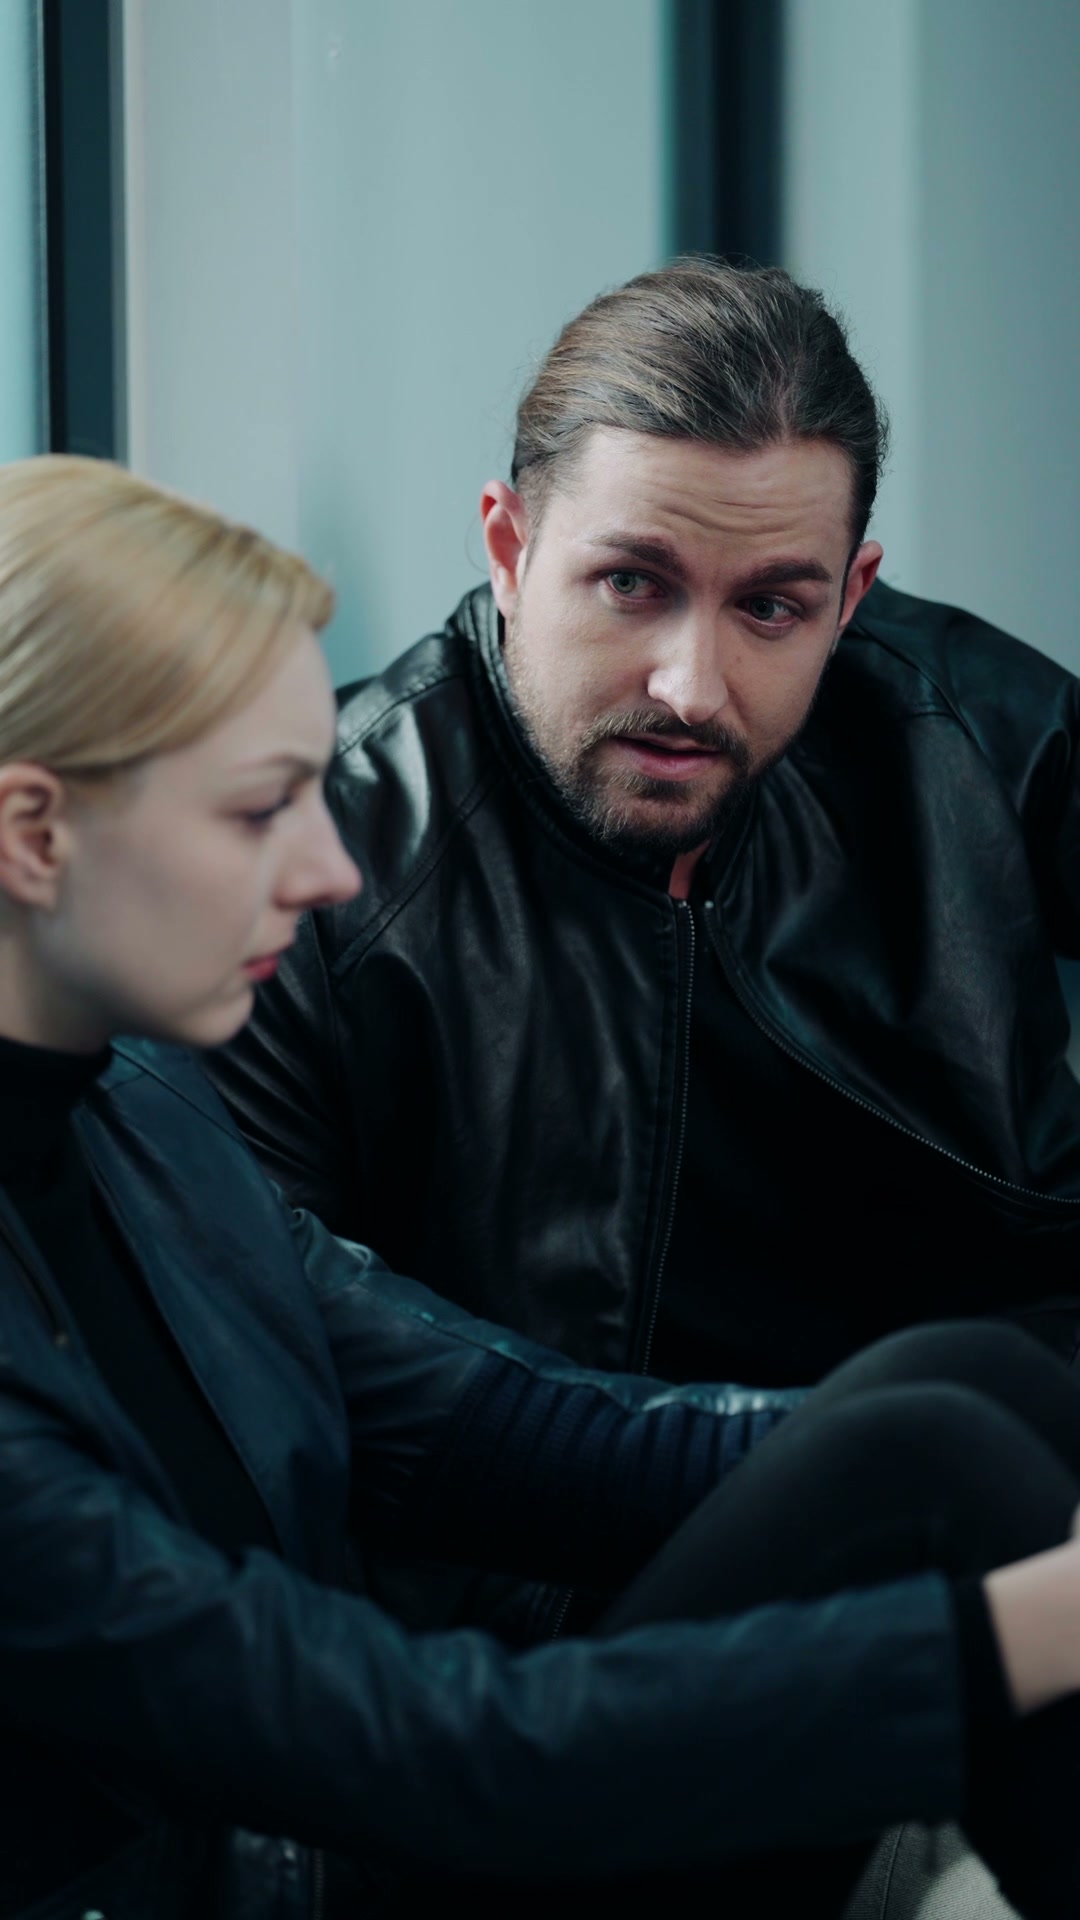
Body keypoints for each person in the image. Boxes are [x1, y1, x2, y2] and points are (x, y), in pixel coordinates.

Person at [3, 459, 1080, 1920]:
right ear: (33, 832)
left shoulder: (134, 1120)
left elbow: (507, 1430)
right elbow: (446, 1757)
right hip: (371, 1831)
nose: (328, 872)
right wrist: (1018, 1630)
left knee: (950, 1409)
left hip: (370, 1827)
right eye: (261, 811)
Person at [209, 258, 1080, 1649]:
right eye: (631, 583)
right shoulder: (315, 874)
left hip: (1001, 1496)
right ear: (509, 548)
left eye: (772, 608)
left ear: (851, 597)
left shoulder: (954, 733)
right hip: (576, 1624)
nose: (692, 685)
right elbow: (301, 1376)